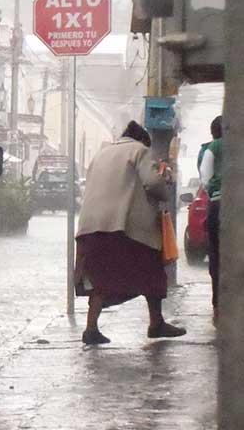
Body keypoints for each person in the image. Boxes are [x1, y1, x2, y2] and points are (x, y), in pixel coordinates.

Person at [75, 121, 187, 344]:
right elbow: (153, 183)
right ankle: (156, 323)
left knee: (100, 277)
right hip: (123, 227)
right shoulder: (140, 151)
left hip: (90, 227)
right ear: (143, 140)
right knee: (152, 272)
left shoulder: (101, 154)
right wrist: (165, 179)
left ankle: (91, 328)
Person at [199, 115, 223, 321]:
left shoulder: (213, 147)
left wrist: (213, 189)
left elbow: (205, 177)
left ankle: (218, 305)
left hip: (218, 204)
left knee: (216, 255)